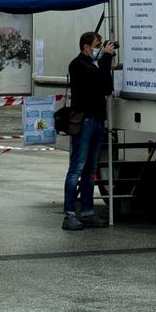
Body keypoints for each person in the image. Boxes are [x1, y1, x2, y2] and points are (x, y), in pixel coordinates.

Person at [62, 32, 115, 230]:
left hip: (98, 120)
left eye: (102, 45)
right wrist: (107, 58)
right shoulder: (77, 65)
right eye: (97, 45)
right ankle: (69, 214)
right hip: (84, 121)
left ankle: (87, 212)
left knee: (90, 170)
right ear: (86, 46)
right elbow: (95, 81)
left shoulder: (96, 65)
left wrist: (105, 63)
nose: (100, 48)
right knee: (77, 167)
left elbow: (107, 87)